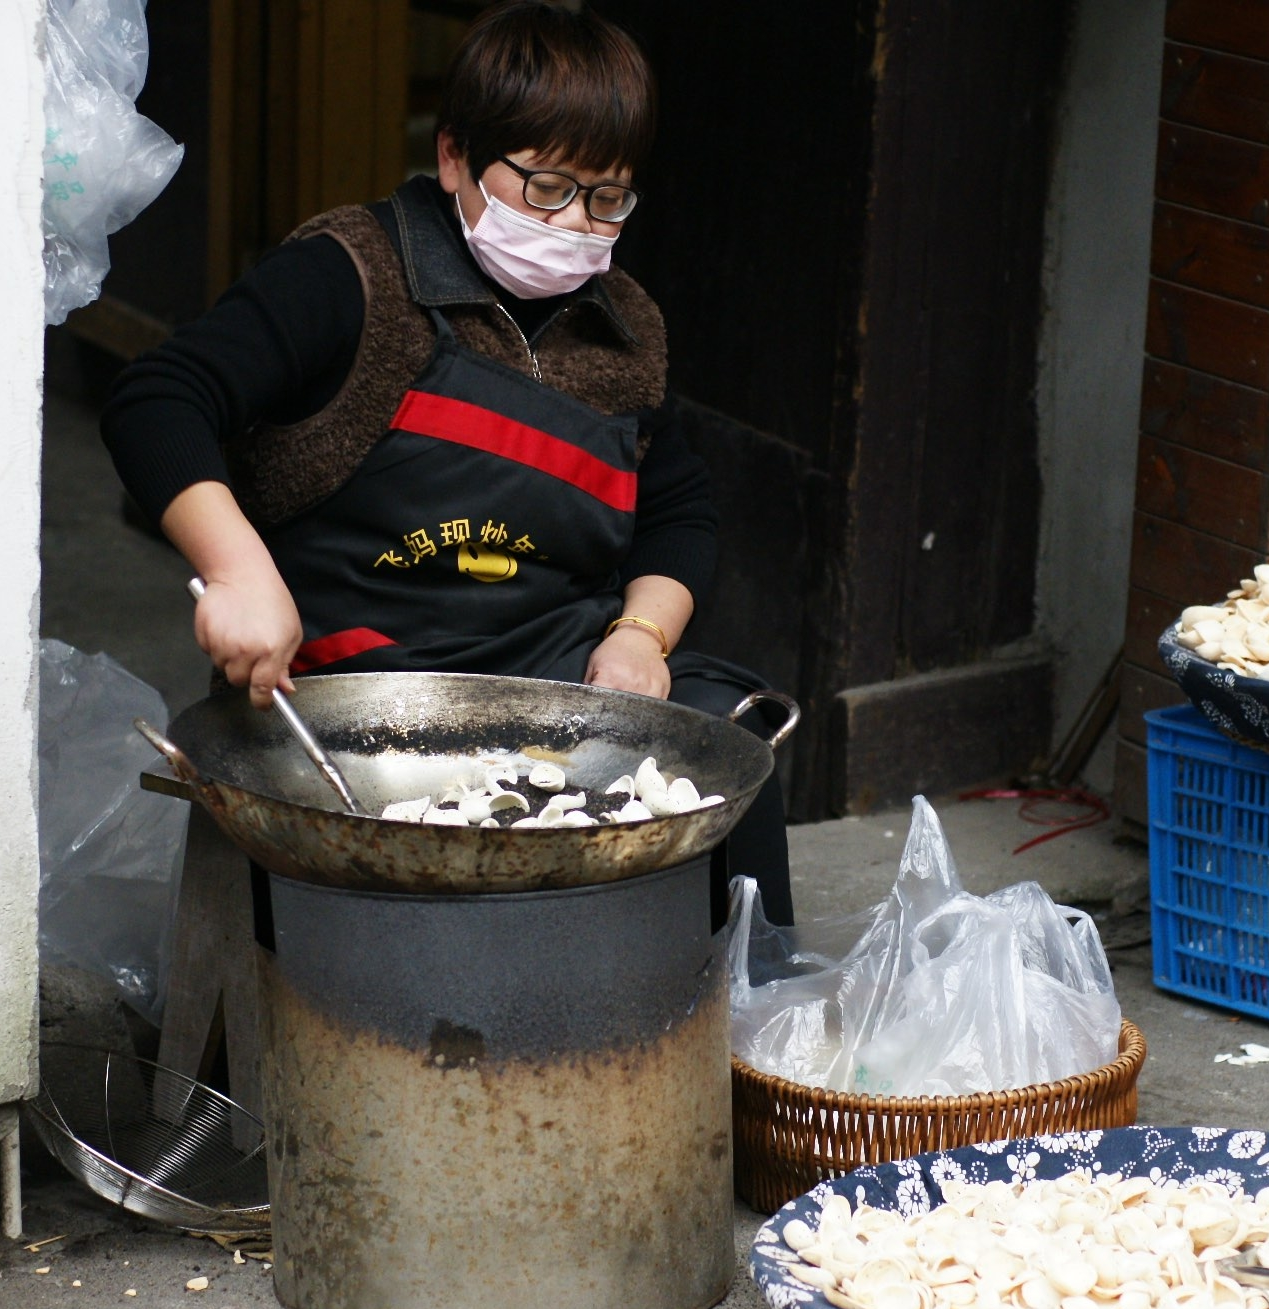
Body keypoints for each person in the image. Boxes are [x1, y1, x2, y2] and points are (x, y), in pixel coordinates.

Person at [101, 0, 793, 924]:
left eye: (606, 197)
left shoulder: (624, 329)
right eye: (545, 187)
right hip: (362, 695)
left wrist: (640, 637)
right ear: (455, 155)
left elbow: (680, 509)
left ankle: (745, 1036)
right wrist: (237, 572)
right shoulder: (351, 275)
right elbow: (160, 397)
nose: (576, 224)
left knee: (726, 755)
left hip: (557, 680)